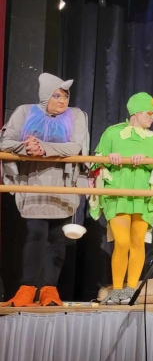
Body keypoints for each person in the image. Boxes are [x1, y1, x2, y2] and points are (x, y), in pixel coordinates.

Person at [0, 73, 89, 307]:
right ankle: (27, 288)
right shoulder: (25, 112)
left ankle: (50, 290)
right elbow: (5, 142)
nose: (63, 101)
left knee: (57, 237)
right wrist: (25, 147)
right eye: (57, 96)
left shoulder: (76, 115)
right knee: (36, 232)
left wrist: (43, 147)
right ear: (45, 96)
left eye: (66, 96)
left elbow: (75, 146)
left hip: (62, 184)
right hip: (33, 183)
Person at [89, 93, 153, 304]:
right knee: (122, 241)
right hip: (117, 195)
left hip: (143, 198)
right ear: (137, 112)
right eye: (150, 113)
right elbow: (95, 162)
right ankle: (117, 288)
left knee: (137, 242)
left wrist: (148, 160)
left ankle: (131, 289)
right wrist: (109, 158)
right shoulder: (112, 133)